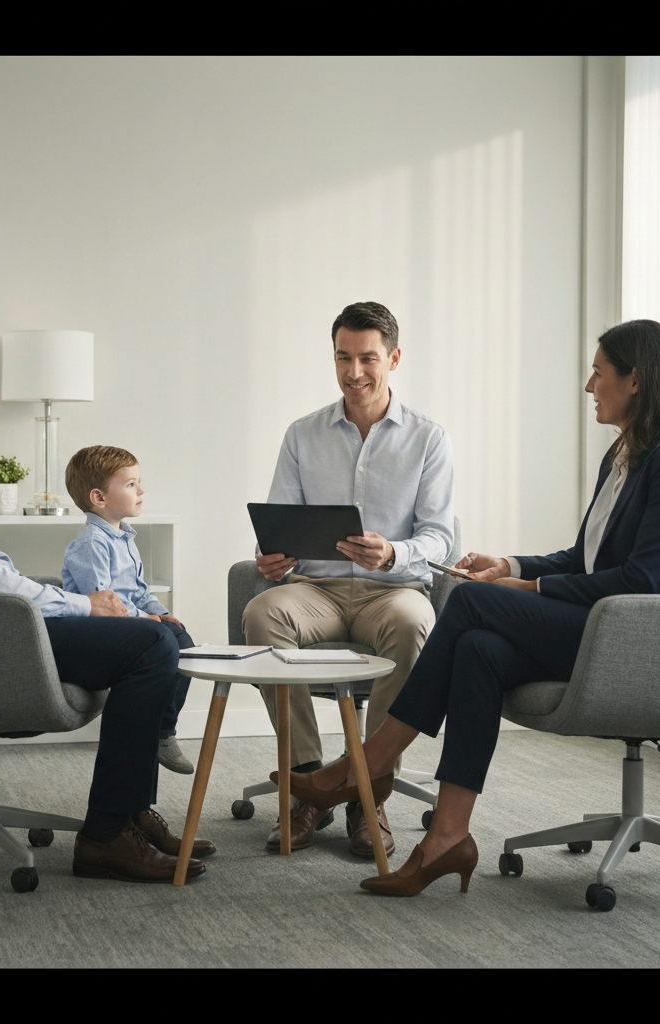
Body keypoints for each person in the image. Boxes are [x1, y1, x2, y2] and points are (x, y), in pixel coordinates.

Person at [281, 319, 660, 896]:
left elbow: (643, 580)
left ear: (636, 380)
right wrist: (510, 565)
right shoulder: (625, 456)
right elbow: (585, 559)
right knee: (479, 648)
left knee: (469, 603)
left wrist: (530, 590)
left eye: (598, 373)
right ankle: (447, 837)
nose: (589, 386)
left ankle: (369, 763)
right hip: (606, 622)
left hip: (648, 639)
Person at [0, 330, 215, 884]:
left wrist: (73, 604)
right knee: (150, 644)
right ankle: (105, 836)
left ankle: (129, 811)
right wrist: (82, 605)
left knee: (160, 635)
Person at [244, 301, 454, 858]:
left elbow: (440, 538)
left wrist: (393, 553)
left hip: (394, 590)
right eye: (343, 357)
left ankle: (369, 791)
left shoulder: (428, 439)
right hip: (317, 589)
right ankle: (309, 783)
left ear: (394, 358)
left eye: (367, 358)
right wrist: (272, 557)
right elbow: (279, 522)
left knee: (413, 623)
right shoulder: (302, 434)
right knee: (262, 612)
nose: (354, 372)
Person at [61, 445, 196, 775]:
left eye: (139, 483)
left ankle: (162, 728)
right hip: (100, 630)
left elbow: (139, 591)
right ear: (99, 497)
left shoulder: (124, 538)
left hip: (129, 622)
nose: (141, 491)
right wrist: (145, 619)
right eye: (131, 484)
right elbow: (104, 602)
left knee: (184, 643)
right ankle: (161, 732)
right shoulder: (92, 543)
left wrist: (160, 612)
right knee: (170, 642)